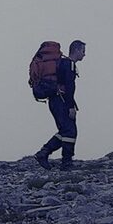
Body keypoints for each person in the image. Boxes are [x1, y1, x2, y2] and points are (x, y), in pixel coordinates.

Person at [34, 40, 86, 169]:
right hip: (61, 100)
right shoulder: (69, 65)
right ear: (77, 50)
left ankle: (44, 153)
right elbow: (69, 87)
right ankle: (65, 162)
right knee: (70, 131)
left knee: (65, 130)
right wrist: (70, 107)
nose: (84, 55)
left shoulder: (62, 63)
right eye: (83, 51)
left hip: (55, 100)